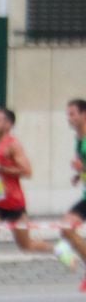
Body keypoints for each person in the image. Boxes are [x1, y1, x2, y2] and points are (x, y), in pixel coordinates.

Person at [0, 107, 78, 302]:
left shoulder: (13, 145)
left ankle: (59, 250)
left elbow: (27, 171)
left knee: (26, 245)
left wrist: (2, 168)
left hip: (14, 204)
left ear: (8, 124)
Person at [62, 97, 86, 291]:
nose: (68, 118)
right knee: (66, 228)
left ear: (83, 114)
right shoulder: (78, 138)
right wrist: (79, 175)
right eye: (67, 114)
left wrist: (83, 167)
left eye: (72, 114)